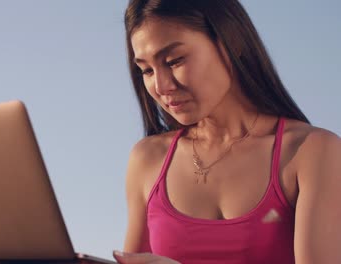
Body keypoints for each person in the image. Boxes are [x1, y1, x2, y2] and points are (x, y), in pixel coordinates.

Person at [111, 0, 341, 263]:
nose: (161, 86)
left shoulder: (312, 152)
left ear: (231, 43)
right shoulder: (148, 159)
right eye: (147, 70)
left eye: (174, 61)